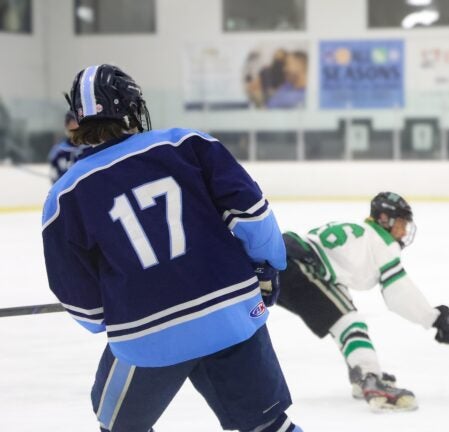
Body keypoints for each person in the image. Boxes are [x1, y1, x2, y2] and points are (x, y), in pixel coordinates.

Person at [42, 64, 302, 432]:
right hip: (230, 313)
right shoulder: (189, 144)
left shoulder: (64, 195)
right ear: (132, 106)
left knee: (119, 426)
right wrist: (267, 265)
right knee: (267, 425)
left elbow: (76, 293)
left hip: (145, 332)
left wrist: (103, 317)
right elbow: (251, 215)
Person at [277, 192, 449, 412]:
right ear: (384, 219)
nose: (403, 231)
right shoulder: (381, 241)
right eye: (401, 224)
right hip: (300, 264)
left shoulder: (362, 235)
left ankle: (360, 373)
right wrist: (435, 318)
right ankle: (370, 378)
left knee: (342, 316)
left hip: (281, 258)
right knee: (350, 322)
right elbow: (399, 293)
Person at [47, 111, 82, 183]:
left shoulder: (89, 149)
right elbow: (53, 173)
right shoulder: (58, 150)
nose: (74, 134)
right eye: (72, 130)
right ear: (66, 127)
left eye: (77, 130)